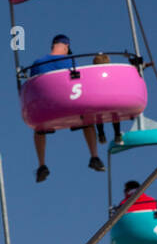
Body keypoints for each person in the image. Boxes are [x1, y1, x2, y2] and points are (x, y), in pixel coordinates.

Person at [30, 35, 104, 182]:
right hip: (70, 106)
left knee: (38, 128)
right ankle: (94, 156)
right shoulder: (71, 62)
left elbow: (32, 86)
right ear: (66, 47)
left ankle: (42, 165)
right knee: (88, 120)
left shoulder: (37, 63)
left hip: (47, 109)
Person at [92, 54, 125, 147]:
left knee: (98, 117)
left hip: (97, 100)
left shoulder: (92, 74)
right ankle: (117, 134)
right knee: (115, 115)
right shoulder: (111, 72)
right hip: (111, 99)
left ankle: (101, 134)